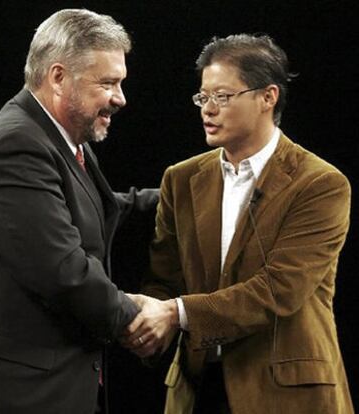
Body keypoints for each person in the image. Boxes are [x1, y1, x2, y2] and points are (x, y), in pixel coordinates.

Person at [121, 34, 354, 413]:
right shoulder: (180, 179)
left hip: (285, 394)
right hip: (197, 390)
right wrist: (152, 321)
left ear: (268, 97)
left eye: (222, 97)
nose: (207, 110)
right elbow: (164, 280)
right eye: (202, 97)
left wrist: (175, 313)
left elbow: (278, 290)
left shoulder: (320, 184)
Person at [0, 8, 158, 414]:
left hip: (46, 388)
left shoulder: (57, 139)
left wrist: (185, 196)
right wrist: (138, 317)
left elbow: (102, 207)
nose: (120, 98)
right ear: (58, 77)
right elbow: (63, 272)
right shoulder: (15, 145)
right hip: (10, 395)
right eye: (108, 83)